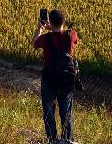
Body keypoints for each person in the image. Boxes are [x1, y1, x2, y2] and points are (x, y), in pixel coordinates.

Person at [33, 9, 79, 144]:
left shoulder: (46, 38)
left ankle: (53, 140)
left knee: (48, 110)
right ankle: (67, 140)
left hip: (49, 79)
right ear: (64, 21)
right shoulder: (72, 35)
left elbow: (35, 43)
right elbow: (73, 39)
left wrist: (40, 29)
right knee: (66, 112)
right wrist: (54, 27)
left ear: (50, 22)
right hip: (67, 79)